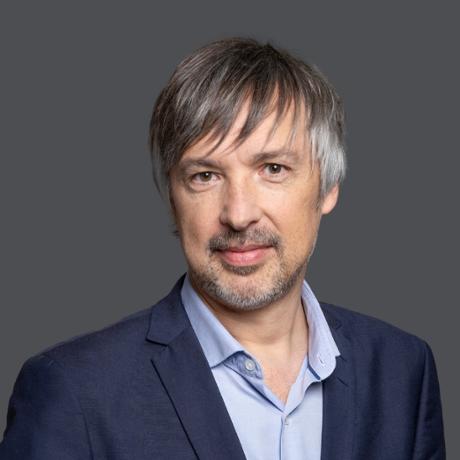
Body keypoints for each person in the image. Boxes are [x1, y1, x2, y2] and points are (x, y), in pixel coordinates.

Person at [0, 38, 445, 460]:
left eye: (273, 168)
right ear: (173, 199)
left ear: (328, 187)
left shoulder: (403, 370)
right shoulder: (74, 392)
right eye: (205, 176)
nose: (238, 214)